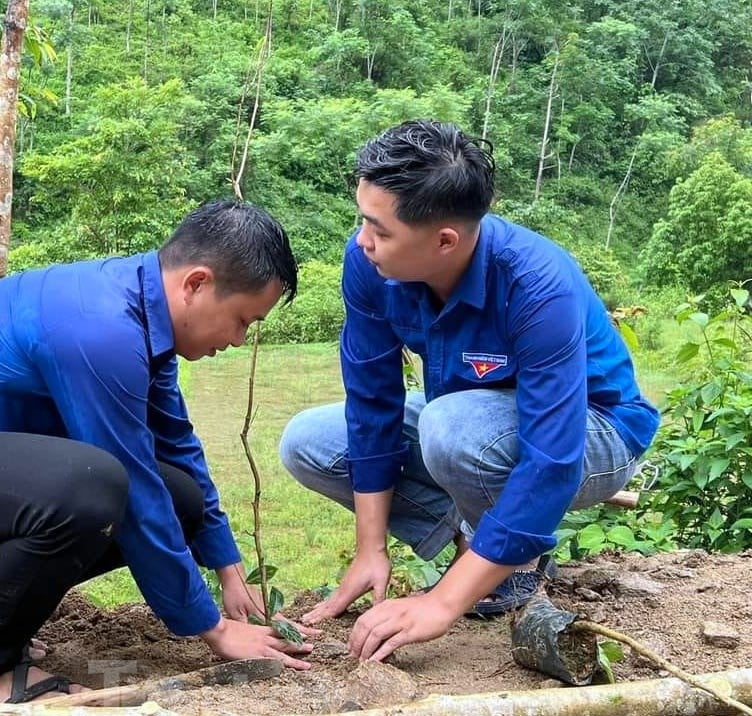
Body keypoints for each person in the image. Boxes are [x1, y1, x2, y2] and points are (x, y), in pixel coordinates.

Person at [0, 200, 315, 704]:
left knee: (181, 496)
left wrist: (229, 571)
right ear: (197, 284)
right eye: (242, 320)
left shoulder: (141, 319)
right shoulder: (101, 328)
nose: (239, 339)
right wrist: (211, 627)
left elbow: (176, 446)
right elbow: (134, 485)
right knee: (95, 484)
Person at [279, 120, 660, 662]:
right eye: (362, 220)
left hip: (594, 431)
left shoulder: (535, 284)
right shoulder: (368, 264)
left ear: (445, 241)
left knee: (451, 427)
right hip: (468, 423)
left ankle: (511, 570)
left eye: (380, 230)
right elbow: (372, 401)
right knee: (310, 441)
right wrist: (371, 547)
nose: (363, 241)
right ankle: (476, 553)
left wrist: (441, 604)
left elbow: (552, 456)